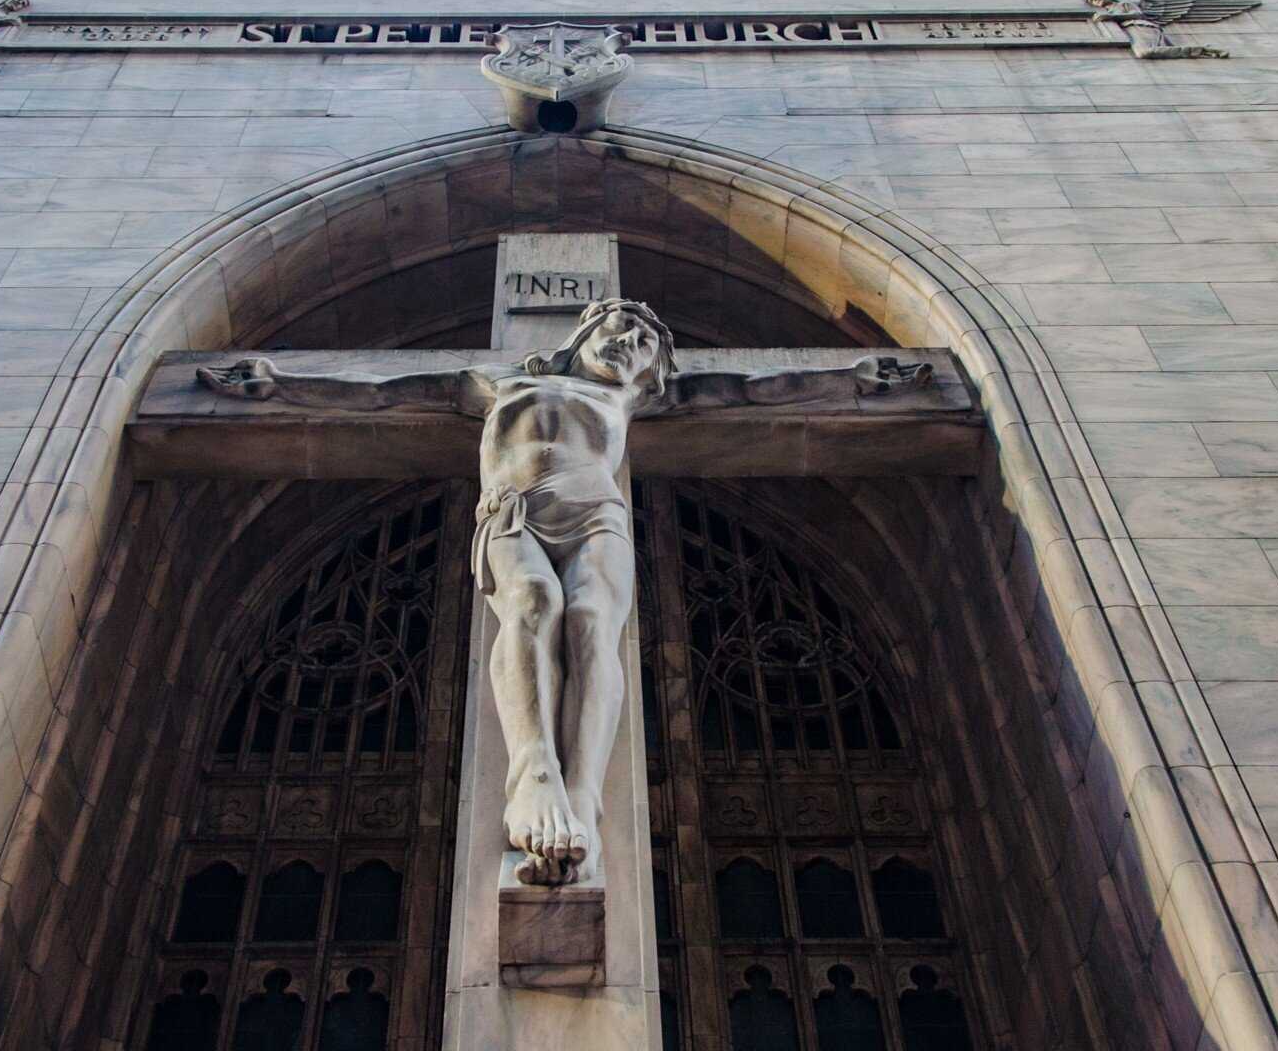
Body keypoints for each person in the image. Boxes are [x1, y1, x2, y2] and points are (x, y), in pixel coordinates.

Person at [202, 299, 927, 885]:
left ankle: (582, 795)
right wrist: (279, 384)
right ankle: (535, 773)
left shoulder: (628, 405)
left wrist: (859, 378)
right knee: (530, 606)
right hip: (514, 510)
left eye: (646, 345)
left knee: (588, 620)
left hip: (597, 516)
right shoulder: (504, 382)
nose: (632, 345)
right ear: (586, 330)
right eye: (622, 329)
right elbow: (379, 392)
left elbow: (757, 390)